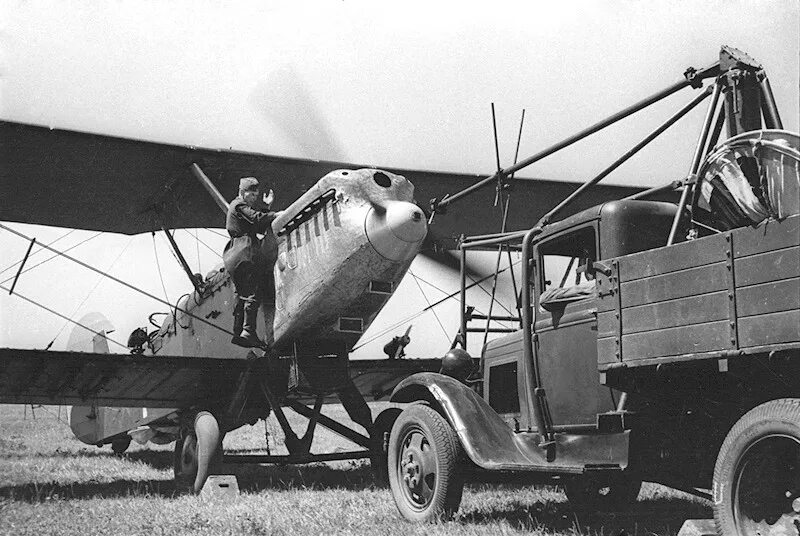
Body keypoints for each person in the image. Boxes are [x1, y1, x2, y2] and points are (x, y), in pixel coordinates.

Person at [223, 177, 279, 348]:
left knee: (242, 293)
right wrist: (275, 214)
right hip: (244, 250)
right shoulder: (238, 205)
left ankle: (238, 331)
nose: (254, 198)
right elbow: (256, 219)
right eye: (252, 194)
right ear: (242, 192)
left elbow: (256, 225)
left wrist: (266, 208)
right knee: (254, 290)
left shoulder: (238, 207)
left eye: (256, 195)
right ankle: (248, 331)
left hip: (235, 252)